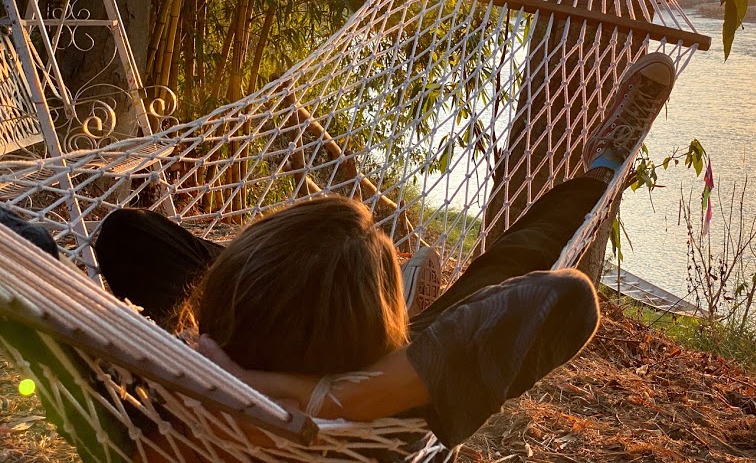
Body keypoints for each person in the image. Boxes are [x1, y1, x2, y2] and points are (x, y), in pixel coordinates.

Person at [1, 51, 677, 455]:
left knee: (126, 233)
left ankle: (328, 287)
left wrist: (203, 364)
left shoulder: (130, 412)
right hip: (365, 384)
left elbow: (37, 262)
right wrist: (321, 393)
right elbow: (562, 298)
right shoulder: (381, 430)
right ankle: (603, 165)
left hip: (219, 360)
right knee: (511, 265)